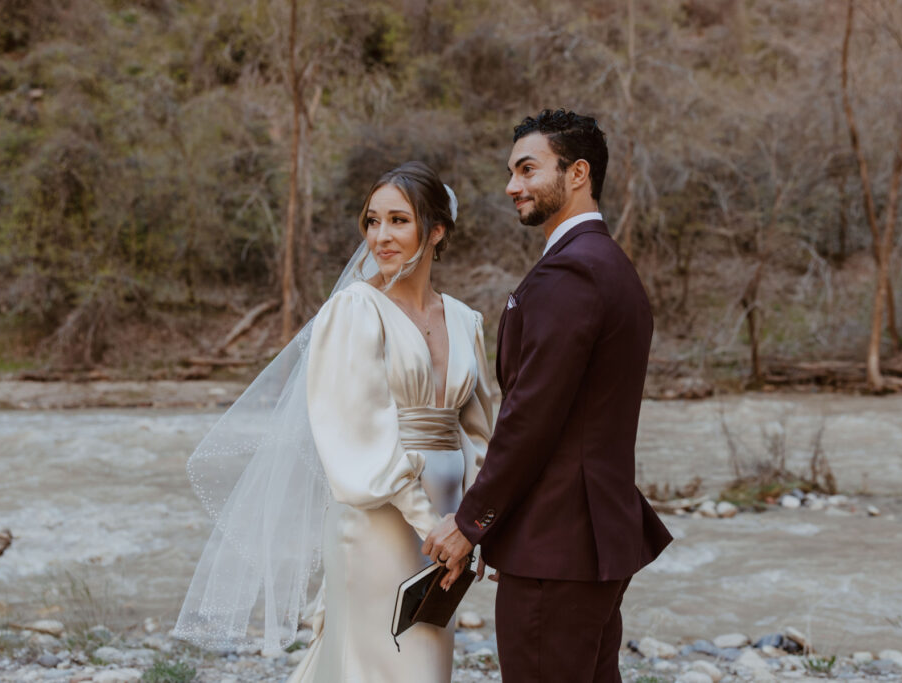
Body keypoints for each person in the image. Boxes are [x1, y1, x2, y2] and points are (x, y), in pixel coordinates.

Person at [173, 161, 493, 683]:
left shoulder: (465, 319)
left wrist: (472, 526)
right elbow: (358, 431)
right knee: (380, 664)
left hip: (449, 524)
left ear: (436, 231)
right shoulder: (354, 311)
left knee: (429, 666)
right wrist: (427, 522)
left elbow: (479, 431)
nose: (381, 236)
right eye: (372, 221)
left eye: (398, 221)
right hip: (380, 520)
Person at [423, 109, 673, 682]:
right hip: (591, 541)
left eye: (528, 169)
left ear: (578, 172)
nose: (512, 185)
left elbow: (532, 417)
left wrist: (470, 522)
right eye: (512, 171)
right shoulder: (610, 266)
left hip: (557, 546)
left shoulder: (573, 273)